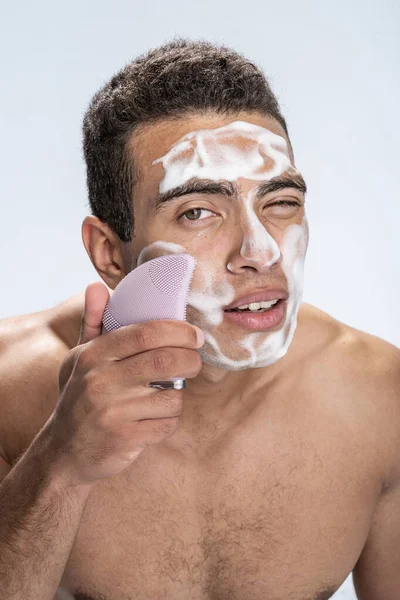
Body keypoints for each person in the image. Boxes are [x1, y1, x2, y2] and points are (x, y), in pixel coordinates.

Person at [0, 38, 399, 600]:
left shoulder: (381, 398)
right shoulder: (8, 391)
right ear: (110, 253)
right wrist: (61, 465)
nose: (260, 252)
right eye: (198, 212)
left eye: (280, 201)